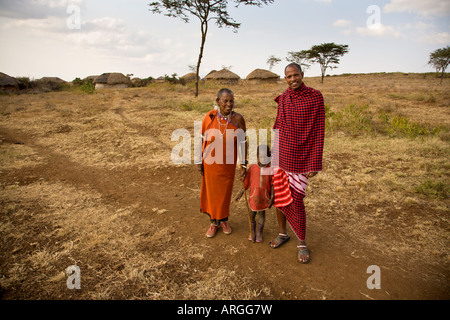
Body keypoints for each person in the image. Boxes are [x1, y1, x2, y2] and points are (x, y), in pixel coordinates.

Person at [269, 63, 325, 263]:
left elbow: (319, 131)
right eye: (288, 76)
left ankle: (301, 242)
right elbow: (278, 127)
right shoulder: (284, 98)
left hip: (301, 158)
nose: (292, 79)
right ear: (285, 78)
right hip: (281, 155)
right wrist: (273, 157)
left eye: (295, 75)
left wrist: (314, 162)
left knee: (297, 200)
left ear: (302, 75)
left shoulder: (314, 97)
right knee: (280, 197)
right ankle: (283, 233)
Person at [196, 88, 247, 238]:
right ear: (218, 101)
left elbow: (243, 142)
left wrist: (243, 164)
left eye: (231, 100)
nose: (229, 104)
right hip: (210, 163)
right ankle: (213, 223)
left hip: (228, 163)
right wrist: (199, 160)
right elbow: (201, 138)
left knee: (225, 193)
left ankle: (224, 220)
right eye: (225, 101)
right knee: (211, 193)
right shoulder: (210, 117)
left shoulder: (238, 119)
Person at [235, 144, 274, 243]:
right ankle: (252, 230)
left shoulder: (270, 169)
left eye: (265, 157)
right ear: (257, 157)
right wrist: (240, 194)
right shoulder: (252, 168)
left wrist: (272, 196)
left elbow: (272, 184)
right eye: (261, 157)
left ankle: (259, 232)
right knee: (252, 215)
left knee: (262, 216)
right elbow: (246, 183)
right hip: (253, 197)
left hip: (264, 197)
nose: (263, 159)